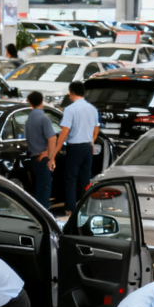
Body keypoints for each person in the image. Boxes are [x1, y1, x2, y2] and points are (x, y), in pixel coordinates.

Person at [54, 80, 99, 215]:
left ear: (71, 92)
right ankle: (84, 208)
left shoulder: (70, 109)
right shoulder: (92, 109)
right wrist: (91, 142)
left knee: (71, 179)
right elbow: (95, 131)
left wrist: (55, 152)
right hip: (87, 148)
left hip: (74, 149)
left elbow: (64, 132)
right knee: (85, 180)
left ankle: (70, 209)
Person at [24, 91, 57, 209]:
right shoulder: (43, 118)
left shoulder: (28, 120)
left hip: (34, 157)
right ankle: (44, 212)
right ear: (42, 101)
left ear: (30, 103)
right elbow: (52, 138)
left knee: (39, 187)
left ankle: (38, 211)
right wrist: (50, 157)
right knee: (45, 188)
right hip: (43, 159)